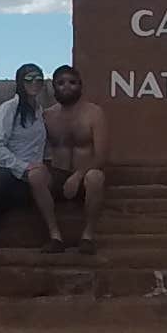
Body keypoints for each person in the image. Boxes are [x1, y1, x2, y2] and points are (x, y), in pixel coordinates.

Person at [0, 65, 57, 254]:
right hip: (0, 167)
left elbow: (42, 147)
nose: (34, 83)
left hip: (30, 175)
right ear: (20, 82)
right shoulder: (9, 109)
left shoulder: (40, 113)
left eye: (38, 79)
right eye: (29, 79)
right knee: (6, 184)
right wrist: (23, 167)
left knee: (26, 196)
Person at [38, 63, 107, 249]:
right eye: (61, 83)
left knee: (96, 177)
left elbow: (101, 156)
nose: (67, 86)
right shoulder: (47, 116)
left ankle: (88, 236)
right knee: (36, 175)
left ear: (80, 85)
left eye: (72, 82)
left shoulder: (94, 113)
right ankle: (54, 236)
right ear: (54, 87)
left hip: (84, 175)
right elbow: (37, 150)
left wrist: (78, 176)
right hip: (58, 174)